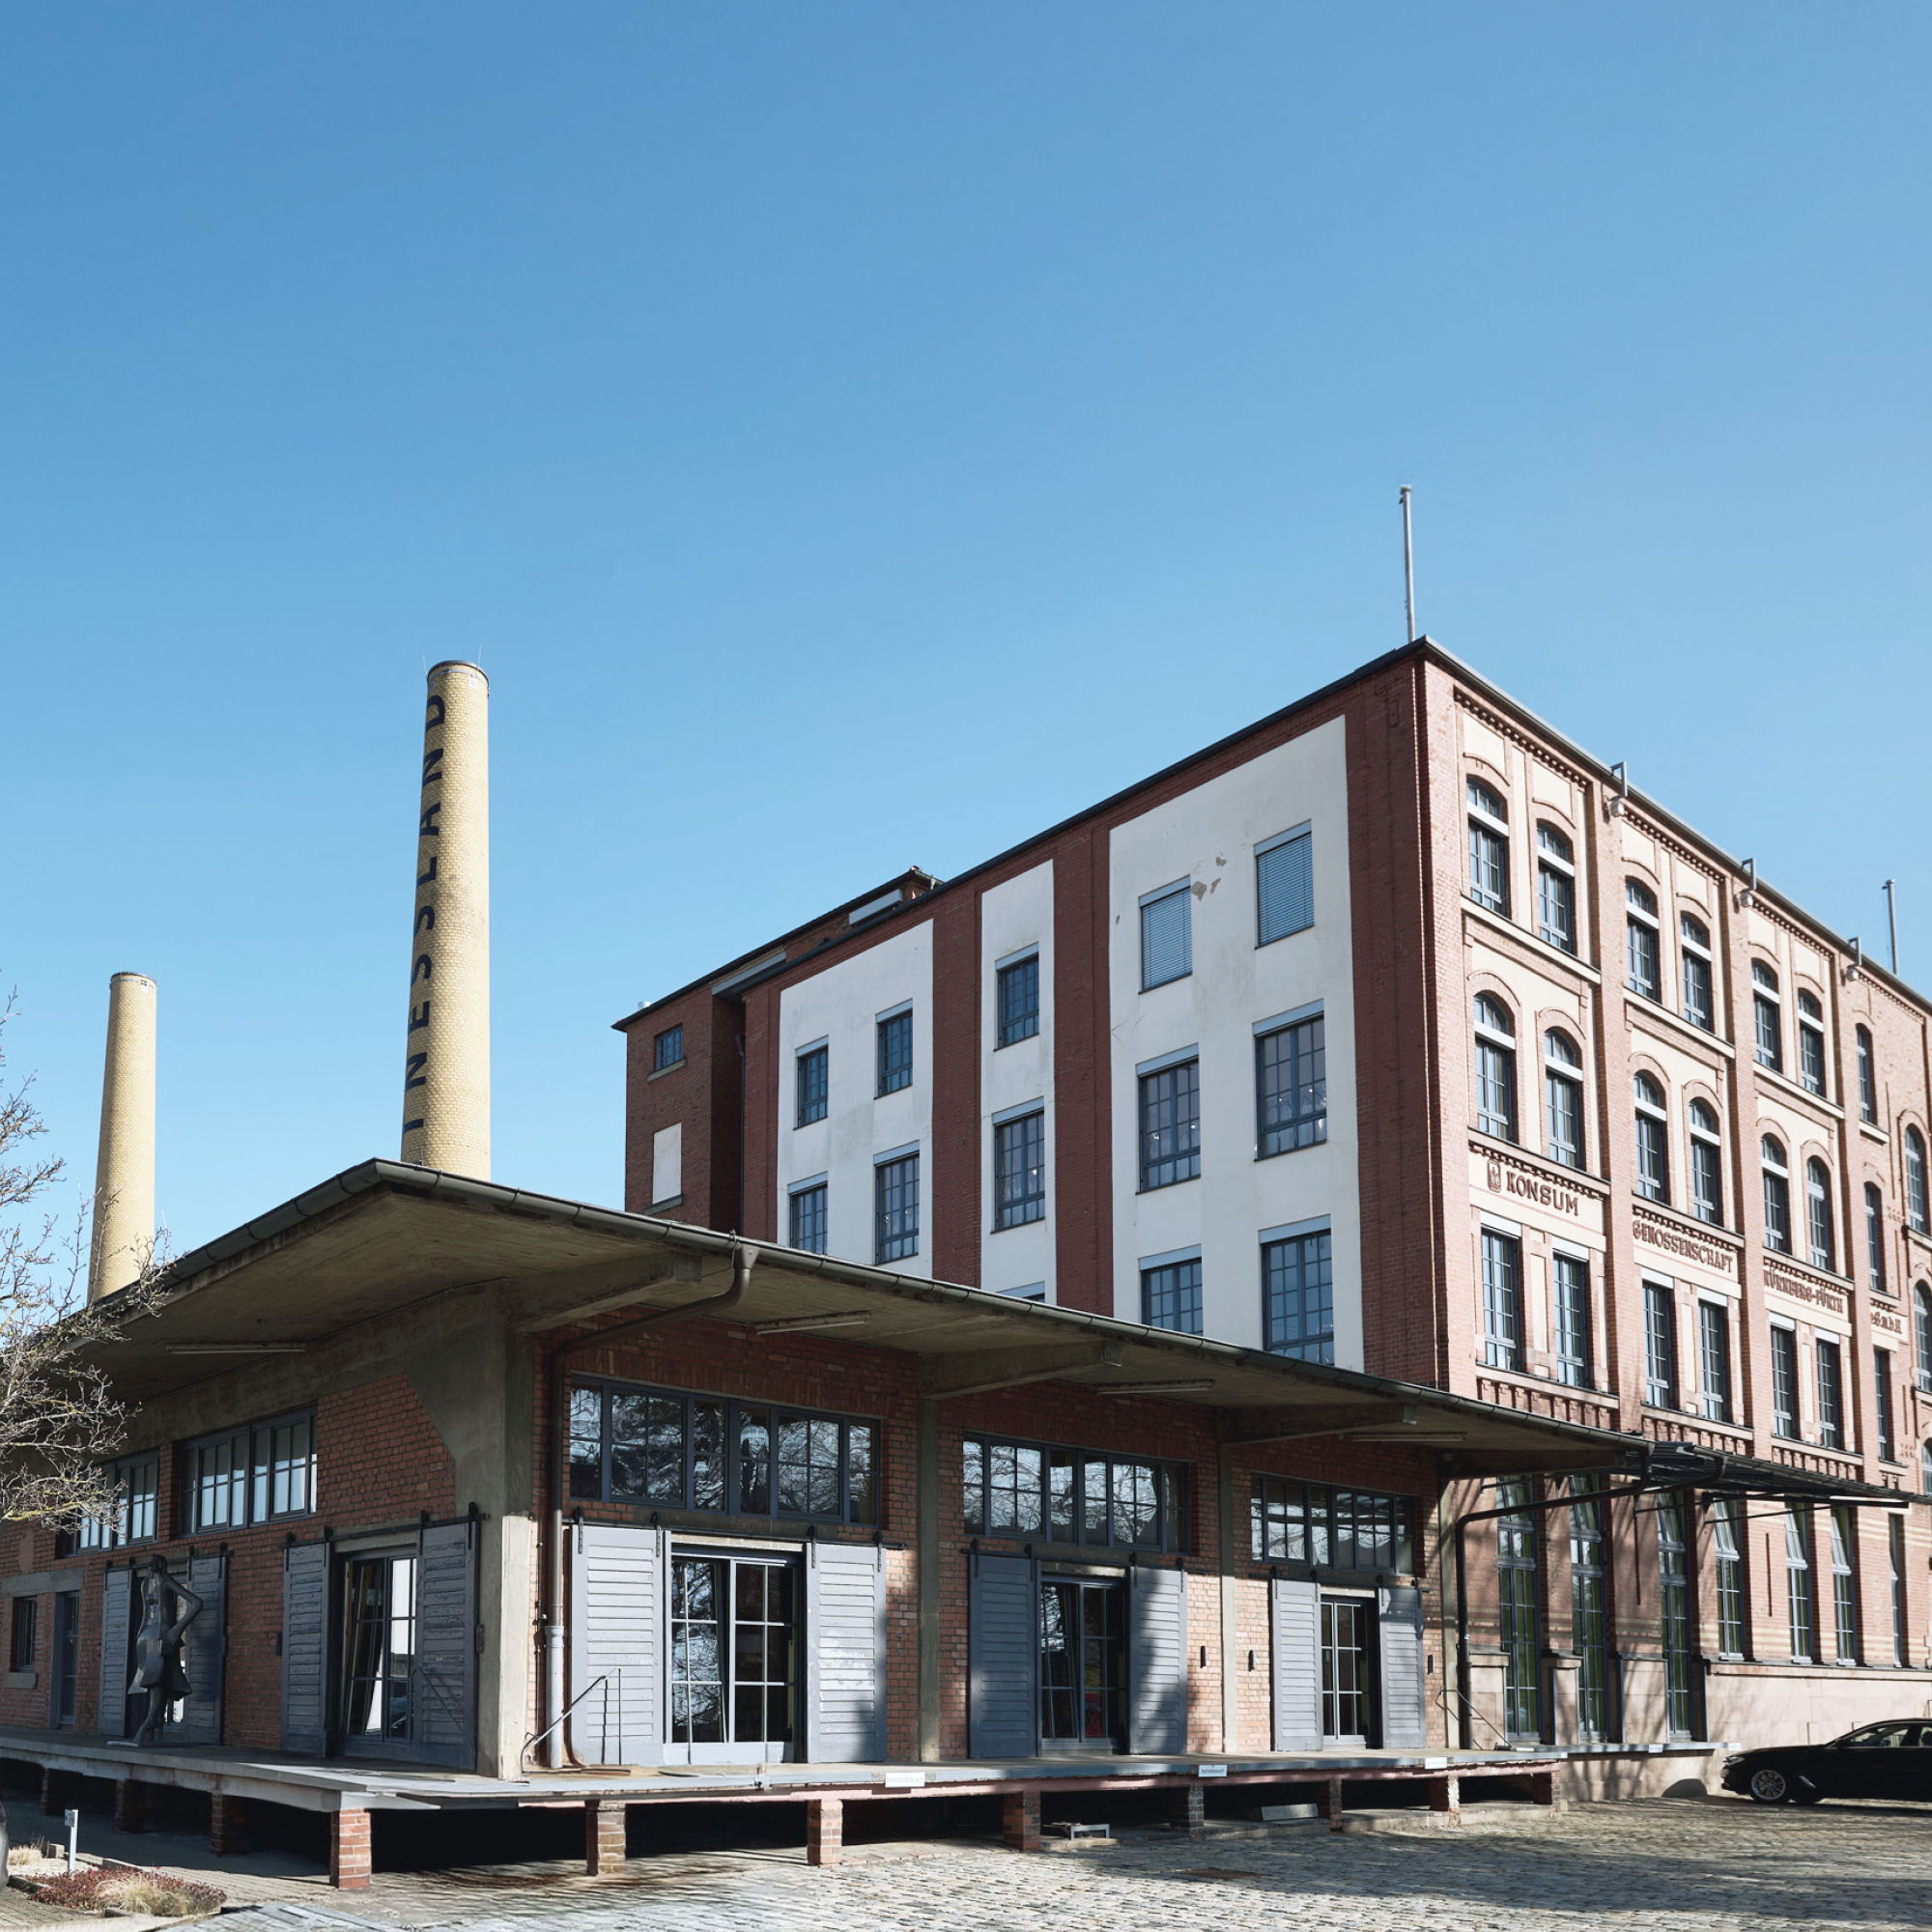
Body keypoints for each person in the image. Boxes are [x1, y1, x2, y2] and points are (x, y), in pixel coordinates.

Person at [128, 1556, 203, 1747]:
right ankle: (157, 1721)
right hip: (147, 1636)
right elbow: (146, 1612)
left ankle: (148, 1722)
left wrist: (177, 1630)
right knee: (152, 1680)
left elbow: (195, 1603)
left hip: (163, 1636)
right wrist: (141, 1636)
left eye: (154, 1563)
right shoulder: (146, 1583)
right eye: (149, 1563)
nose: (150, 1565)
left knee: (157, 1676)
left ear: (161, 1565)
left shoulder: (167, 1582)